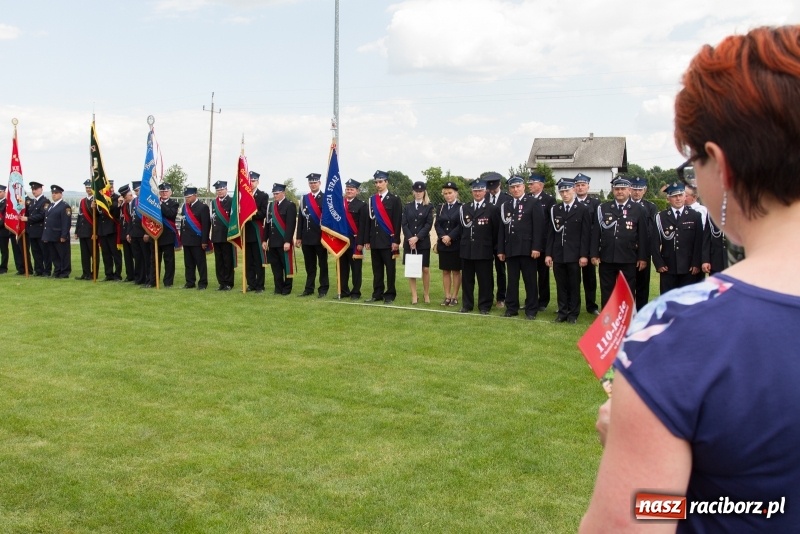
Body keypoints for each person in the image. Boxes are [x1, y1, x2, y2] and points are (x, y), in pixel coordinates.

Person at [582, 26, 800, 532]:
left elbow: (639, 516)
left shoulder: (677, 330)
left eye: (692, 163)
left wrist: (635, 442)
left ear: (720, 164)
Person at [590, 176, 648, 308]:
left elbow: (643, 235)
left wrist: (642, 257)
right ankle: (608, 316)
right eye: (617, 189)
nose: (620, 191)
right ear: (613, 190)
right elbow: (596, 233)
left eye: (623, 189)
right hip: (607, 256)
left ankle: (626, 317)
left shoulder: (639, 209)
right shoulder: (603, 208)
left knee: (627, 289)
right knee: (607, 289)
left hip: (628, 257)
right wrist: (594, 253)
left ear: (629, 190)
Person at [497, 175, 545, 320]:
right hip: (511, 248)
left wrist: (536, 247)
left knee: (530, 280)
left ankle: (531, 309)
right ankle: (512, 308)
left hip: (527, 249)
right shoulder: (505, 205)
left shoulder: (533, 202)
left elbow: (539, 227)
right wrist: (500, 249)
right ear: (509, 189)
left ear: (523, 187)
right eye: (513, 187)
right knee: (512, 281)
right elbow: (502, 229)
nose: (515, 189)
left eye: (518, 186)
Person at [545, 178, 591, 324]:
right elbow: (551, 234)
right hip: (558, 254)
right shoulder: (555, 210)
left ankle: (573, 314)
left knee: (574, 285)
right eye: (562, 191)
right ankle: (562, 312)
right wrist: (548, 253)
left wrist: (584, 255)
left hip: (574, 254)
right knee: (561, 285)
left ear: (574, 190)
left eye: (567, 190)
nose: (565, 194)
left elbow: (585, 235)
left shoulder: (583, 209)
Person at [651, 182, 705, 294]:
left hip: (689, 267)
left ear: (685, 196)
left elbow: (698, 241)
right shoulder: (660, 217)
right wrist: (659, 263)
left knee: (687, 300)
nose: (678, 198)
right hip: (668, 267)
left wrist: (696, 263)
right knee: (667, 301)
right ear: (668, 198)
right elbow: (654, 242)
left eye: (680, 195)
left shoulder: (695, 216)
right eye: (674, 196)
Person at [458, 179, 497, 315]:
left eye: (480, 190)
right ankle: (467, 305)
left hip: (483, 249)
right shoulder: (464, 208)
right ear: (472, 192)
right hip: (467, 249)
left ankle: (485, 306)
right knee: (467, 280)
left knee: (485, 280)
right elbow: (461, 229)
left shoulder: (492, 208)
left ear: (485, 191)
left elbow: (495, 231)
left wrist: (495, 249)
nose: (477, 193)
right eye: (475, 191)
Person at [363, 170, 402, 304]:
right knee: (377, 269)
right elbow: (369, 221)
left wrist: (396, 240)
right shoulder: (371, 200)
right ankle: (377, 293)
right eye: (376, 182)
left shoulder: (395, 199)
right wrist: (367, 240)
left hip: (388, 241)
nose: (378, 184)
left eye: (380, 182)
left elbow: (397, 221)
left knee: (390, 269)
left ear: (386, 182)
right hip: (374, 240)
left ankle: (390, 294)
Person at [296, 172, 329, 298]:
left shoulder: (326, 198)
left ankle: (323, 289)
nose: (313, 184)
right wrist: (299, 237)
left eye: (315, 182)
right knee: (309, 266)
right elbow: (301, 220)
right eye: (311, 182)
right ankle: (309, 288)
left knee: (323, 265)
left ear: (319, 183)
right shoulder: (304, 198)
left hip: (321, 238)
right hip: (307, 237)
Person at [526, 172, 555, 312]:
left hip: (542, 244)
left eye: (532, 183)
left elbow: (550, 225)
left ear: (541, 185)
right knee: (529, 274)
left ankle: (543, 301)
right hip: (529, 244)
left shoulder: (549, 200)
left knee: (542, 275)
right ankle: (530, 299)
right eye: (529, 183)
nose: (529, 186)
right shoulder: (527, 199)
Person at [628, 176, 658, 309]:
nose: (636, 192)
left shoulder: (650, 207)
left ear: (644, 191)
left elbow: (650, 229)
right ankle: (627, 308)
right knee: (628, 282)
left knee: (642, 282)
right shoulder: (625, 205)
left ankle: (641, 309)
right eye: (634, 189)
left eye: (639, 190)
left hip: (644, 249)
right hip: (627, 250)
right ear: (630, 190)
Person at [401, 181, 433, 304]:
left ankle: (426, 294)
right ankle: (414, 295)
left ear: (424, 192)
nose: (418, 193)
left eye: (421, 191)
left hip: (423, 242)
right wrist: (410, 238)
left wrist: (417, 237)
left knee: (425, 269)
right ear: (413, 192)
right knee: (411, 269)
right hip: (409, 242)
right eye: (416, 191)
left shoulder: (429, 206)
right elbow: (404, 224)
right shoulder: (408, 206)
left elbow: (428, 224)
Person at [573, 173, 600, 315]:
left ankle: (591, 306)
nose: (580, 188)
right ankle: (572, 304)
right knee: (573, 279)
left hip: (589, 246)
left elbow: (597, 228)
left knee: (589, 279)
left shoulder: (595, 204)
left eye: (582, 185)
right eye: (577, 185)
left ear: (588, 187)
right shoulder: (571, 202)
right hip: (573, 247)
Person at [263, 182, 296, 295]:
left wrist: (287, 241)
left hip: (283, 242)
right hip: (272, 242)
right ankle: (278, 288)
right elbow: (267, 224)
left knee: (286, 265)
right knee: (276, 267)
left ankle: (287, 289)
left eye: (277, 193)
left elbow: (291, 225)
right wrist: (264, 239)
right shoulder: (270, 206)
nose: (275, 195)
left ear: (283, 193)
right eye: (274, 193)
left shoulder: (289, 205)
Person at [485, 173, 512, 308]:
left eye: (494, 188)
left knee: (501, 270)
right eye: (490, 189)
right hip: (486, 240)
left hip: (501, 240)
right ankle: (488, 296)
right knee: (486, 270)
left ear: (499, 185)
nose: (492, 191)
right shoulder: (484, 198)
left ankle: (501, 297)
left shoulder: (507, 199)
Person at [434, 181, 462, 307]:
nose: (448, 195)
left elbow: (461, 225)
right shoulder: (441, 207)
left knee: (456, 271)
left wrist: (450, 236)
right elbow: (437, 224)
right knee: (445, 271)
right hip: (443, 243)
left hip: (455, 243)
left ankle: (455, 296)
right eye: (445, 193)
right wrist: (443, 236)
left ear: (455, 193)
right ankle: (447, 296)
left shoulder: (461, 207)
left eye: (450, 193)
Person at [147, 182, 179, 288]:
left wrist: (160, 204)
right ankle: (153, 281)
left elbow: (170, 214)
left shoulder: (174, 203)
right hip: (155, 235)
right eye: (162, 191)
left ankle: (168, 282)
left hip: (167, 236)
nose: (164, 193)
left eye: (166, 191)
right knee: (154, 260)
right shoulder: (153, 203)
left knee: (169, 261)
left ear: (170, 192)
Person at [339, 179, 367, 300]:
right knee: (342, 268)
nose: (349, 191)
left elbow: (363, 226)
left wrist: (361, 242)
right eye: (347, 189)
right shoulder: (340, 204)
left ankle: (356, 292)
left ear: (357, 191)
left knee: (356, 269)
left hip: (355, 242)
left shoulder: (362, 205)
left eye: (352, 189)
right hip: (341, 241)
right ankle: (344, 290)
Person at [180, 186, 211, 290]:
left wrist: (204, 241)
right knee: (188, 263)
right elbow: (182, 222)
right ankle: (190, 282)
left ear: (195, 195)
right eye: (186, 197)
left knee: (200, 263)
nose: (187, 199)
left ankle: (202, 283)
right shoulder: (185, 207)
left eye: (188, 197)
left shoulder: (203, 207)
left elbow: (206, 226)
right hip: (186, 239)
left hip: (197, 240)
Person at [245, 171, 269, 293]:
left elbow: (263, 213)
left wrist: (250, 216)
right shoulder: (243, 195)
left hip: (257, 231)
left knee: (258, 260)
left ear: (258, 182)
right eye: (250, 180)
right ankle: (251, 283)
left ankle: (260, 285)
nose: (251, 183)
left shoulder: (263, 196)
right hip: (246, 232)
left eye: (253, 180)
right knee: (248, 261)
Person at [41, 184, 71, 278]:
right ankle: (57, 271)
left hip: (59, 235)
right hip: (51, 235)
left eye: (56, 193)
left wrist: (63, 235)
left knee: (63, 254)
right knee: (54, 255)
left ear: (61, 194)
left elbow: (66, 223)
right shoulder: (51, 205)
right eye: (53, 193)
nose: (54, 195)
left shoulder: (64, 206)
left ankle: (65, 272)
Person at [21, 181, 50, 276]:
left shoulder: (45, 201)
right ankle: (38, 270)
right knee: (35, 252)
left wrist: (28, 219)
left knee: (44, 252)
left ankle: (47, 270)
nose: (34, 191)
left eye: (36, 189)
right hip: (32, 231)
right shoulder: (32, 202)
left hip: (41, 231)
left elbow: (42, 215)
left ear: (41, 189)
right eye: (33, 189)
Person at [210, 180, 234, 291]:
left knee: (227, 260)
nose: (220, 192)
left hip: (227, 236)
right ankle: (221, 283)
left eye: (221, 189)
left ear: (226, 189)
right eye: (218, 190)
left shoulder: (232, 201)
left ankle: (229, 282)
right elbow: (211, 220)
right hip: (216, 236)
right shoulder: (213, 203)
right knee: (219, 261)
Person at [128, 181, 151, 286]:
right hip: (135, 233)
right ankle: (139, 278)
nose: (136, 192)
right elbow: (131, 218)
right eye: (135, 190)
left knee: (146, 258)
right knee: (137, 257)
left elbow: (149, 218)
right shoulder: (134, 201)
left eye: (138, 190)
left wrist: (147, 232)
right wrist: (129, 232)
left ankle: (148, 278)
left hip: (144, 233)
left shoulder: (147, 200)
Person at [73, 180, 97, 280]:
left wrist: (95, 232)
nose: (88, 190)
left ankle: (93, 273)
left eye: (90, 188)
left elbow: (97, 218)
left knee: (93, 254)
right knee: (84, 254)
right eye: (87, 188)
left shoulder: (96, 200)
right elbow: (80, 217)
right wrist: (76, 231)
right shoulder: (82, 201)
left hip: (91, 231)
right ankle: (85, 273)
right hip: (83, 231)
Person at [118, 184, 136, 282]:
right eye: (124, 197)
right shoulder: (124, 205)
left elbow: (131, 220)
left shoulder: (134, 203)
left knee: (135, 255)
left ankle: (137, 275)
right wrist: (119, 205)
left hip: (132, 232)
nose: (126, 199)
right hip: (125, 233)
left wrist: (130, 233)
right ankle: (130, 275)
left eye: (126, 197)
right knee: (127, 256)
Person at [0, 185, 9, 274]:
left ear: (4, 192)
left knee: (4, 250)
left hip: (3, 230)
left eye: (0, 192)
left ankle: (3, 267)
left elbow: (5, 218)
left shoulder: (7, 203)